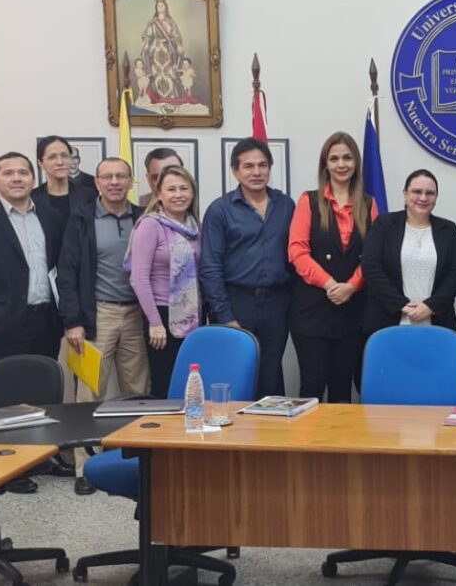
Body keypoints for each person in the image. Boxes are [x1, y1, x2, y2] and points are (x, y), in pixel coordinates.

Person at [55, 157, 147, 494]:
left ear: (131, 182)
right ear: (97, 183)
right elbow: (66, 275)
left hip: (135, 315)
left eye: (121, 176)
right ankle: (85, 468)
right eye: (107, 176)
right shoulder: (81, 220)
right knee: (89, 394)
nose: (114, 182)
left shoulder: (143, 217)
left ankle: (135, 463)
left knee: (137, 392)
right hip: (97, 316)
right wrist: (73, 321)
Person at [201, 138, 295, 397]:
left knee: (271, 374)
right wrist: (225, 315)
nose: (256, 172)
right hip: (236, 301)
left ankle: (272, 435)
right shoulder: (220, 210)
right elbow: (210, 266)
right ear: (235, 171)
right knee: (235, 374)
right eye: (248, 166)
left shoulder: (286, 205)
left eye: (262, 165)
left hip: (277, 302)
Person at [289, 132, 377, 403]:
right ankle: (309, 447)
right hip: (313, 313)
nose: (341, 164)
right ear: (325, 164)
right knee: (312, 388)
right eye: (334, 158)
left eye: (347, 158)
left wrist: (351, 286)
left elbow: (373, 256)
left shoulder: (369, 203)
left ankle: (341, 446)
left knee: (342, 391)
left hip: (353, 313)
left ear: (356, 163)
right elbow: (297, 251)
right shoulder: (309, 200)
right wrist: (330, 284)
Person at [0, 152, 64, 366]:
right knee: (8, 391)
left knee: (45, 389)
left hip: (47, 322)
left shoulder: (52, 217)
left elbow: (60, 267)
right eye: (8, 173)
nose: (17, 178)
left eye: (23, 172)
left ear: (33, 179)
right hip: (3, 324)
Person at [364, 170, 456, 345]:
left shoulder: (448, 230)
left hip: (437, 321)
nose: (423, 198)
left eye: (430, 193)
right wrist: (402, 305)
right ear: (405, 194)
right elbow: (371, 267)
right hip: (389, 320)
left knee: (433, 371)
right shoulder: (384, 225)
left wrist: (431, 306)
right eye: (417, 191)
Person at [129, 165, 201, 399]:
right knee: (164, 385)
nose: (178, 194)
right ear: (159, 194)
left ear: (192, 193)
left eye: (184, 188)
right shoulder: (151, 225)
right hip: (161, 316)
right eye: (171, 189)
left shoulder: (194, 227)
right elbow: (138, 278)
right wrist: (154, 322)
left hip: (191, 315)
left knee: (189, 384)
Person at [32, 135, 95, 239]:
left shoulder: (87, 195)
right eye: (52, 157)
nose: (60, 162)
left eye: (65, 156)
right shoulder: (32, 198)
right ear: (40, 163)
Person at [140, 0, 188, 104]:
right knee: (157, 74)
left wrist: (179, 45)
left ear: (166, 7)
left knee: (169, 74)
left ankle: (170, 98)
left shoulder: (171, 22)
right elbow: (147, 35)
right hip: (156, 52)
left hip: (169, 52)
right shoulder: (152, 23)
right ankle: (158, 99)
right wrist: (147, 42)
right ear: (156, 8)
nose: (161, 7)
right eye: (158, 5)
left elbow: (176, 35)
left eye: (162, 5)